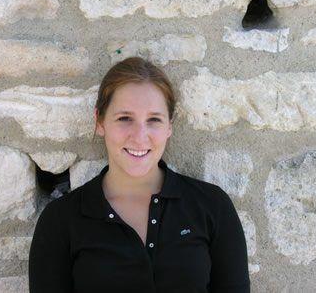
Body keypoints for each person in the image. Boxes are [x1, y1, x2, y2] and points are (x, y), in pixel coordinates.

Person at [28, 57, 250, 293]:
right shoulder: (61, 221)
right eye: (125, 118)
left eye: (154, 119)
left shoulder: (212, 206)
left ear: (169, 126)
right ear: (100, 121)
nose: (140, 136)